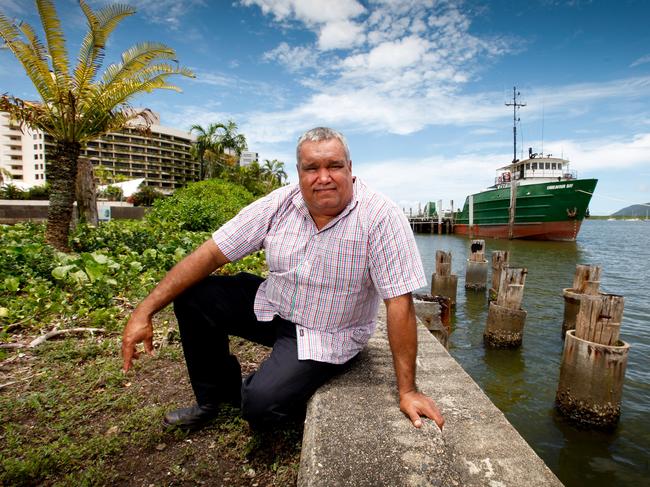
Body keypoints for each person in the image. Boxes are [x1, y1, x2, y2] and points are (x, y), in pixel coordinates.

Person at [121, 127, 444, 432]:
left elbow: (398, 302)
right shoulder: (281, 203)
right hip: (273, 306)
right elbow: (210, 254)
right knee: (195, 296)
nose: (324, 178)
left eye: (334, 166)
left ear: (350, 169)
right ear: (299, 172)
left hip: (326, 332)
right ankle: (214, 399)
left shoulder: (380, 217)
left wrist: (408, 390)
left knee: (261, 407)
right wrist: (143, 311)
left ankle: (258, 389)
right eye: (311, 168)